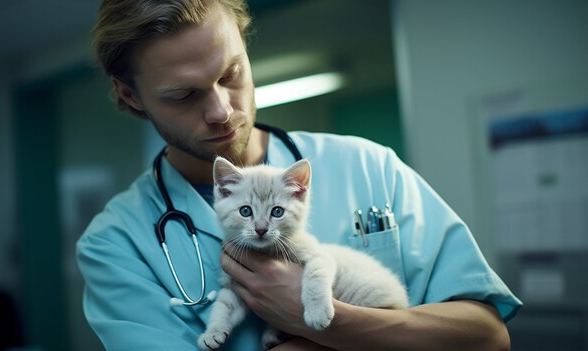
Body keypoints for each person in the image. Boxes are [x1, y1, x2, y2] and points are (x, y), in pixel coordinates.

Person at [76, 0, 522, 350]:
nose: (221, 111)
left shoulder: (370, 165)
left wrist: (332, 321)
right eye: (183, 95)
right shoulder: (114, 244)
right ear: (131, 96)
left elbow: (487, 336)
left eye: (231, 73)